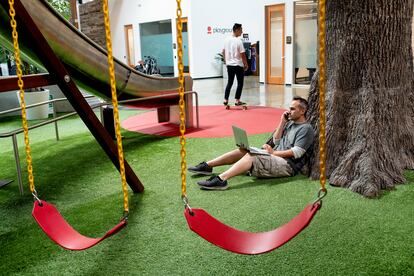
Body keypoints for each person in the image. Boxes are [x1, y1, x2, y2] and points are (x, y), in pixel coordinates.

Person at [188, 97, 314, 190]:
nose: (289, 111)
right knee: (244, 150)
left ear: (302, 111)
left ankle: (221, 180)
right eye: (289, 108)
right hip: (275, 156)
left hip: (287, 165)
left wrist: (273, 152)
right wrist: (282, 122)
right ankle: (208, 166)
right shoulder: (290, 123)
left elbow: (297, 152)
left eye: (292, 109)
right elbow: (276, 141)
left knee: (252, 156)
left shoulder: (306, 129)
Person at [222, 23, 249, 107]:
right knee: (240, 83)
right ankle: (237, 100)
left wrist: (226, 62)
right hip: (238, 65)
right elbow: (243, 54)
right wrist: (246, 64)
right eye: (241, 30)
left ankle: (225, 100)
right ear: (236, 30)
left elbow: (223, 51)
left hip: (229, 65)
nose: (242, 31)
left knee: (229, 82)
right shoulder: (238, 41)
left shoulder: (226, 40)